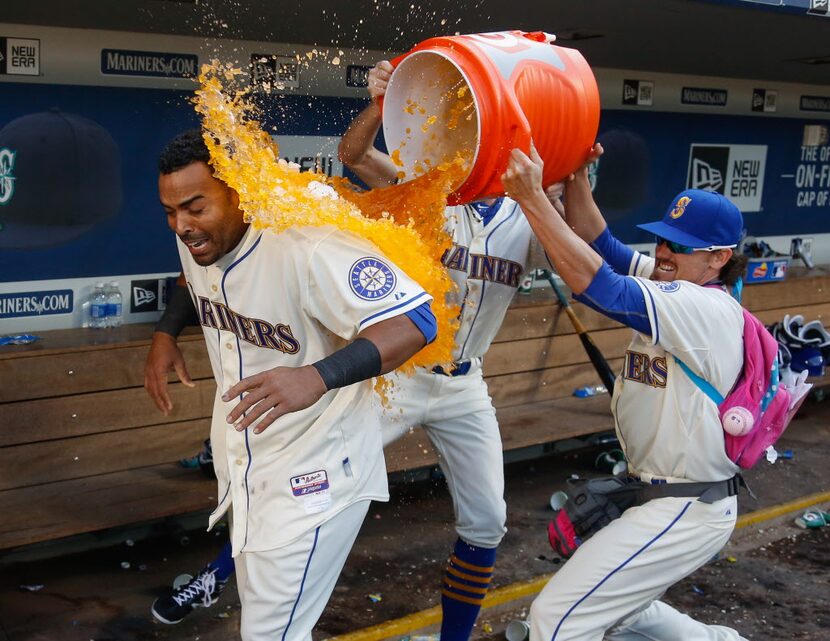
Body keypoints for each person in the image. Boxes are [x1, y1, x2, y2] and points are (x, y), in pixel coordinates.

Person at [148, 129, 437, 641]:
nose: (182, 225)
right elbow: (189, 277)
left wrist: (316, 376)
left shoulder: (308, 244)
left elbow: (415, 321)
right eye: (171, 211)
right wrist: (166, 332)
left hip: (316, 475)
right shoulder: (201, 239)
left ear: (239, 190)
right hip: (251, 465)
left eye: (194, 207)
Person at [337, 61, 552, 641]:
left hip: (464, 384)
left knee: (487, 522)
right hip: (400, 376)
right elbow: (354, 156)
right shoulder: (426, 194)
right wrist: (382, 106)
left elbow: (584, 257)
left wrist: (562, 186)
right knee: (319, 475)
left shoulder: (528, 218)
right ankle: (219, 572)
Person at [501, 142, 750, 641]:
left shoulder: (706, 307)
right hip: (664, 492)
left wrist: (532, 199)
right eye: (663, 239)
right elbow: (603, 248)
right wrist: (575, 176)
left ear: (719, 258)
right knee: (623, 610)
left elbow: (602, 287)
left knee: (555, 623)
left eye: (679, 246)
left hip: (685, 506)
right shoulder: (676, 279)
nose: (663, 252)